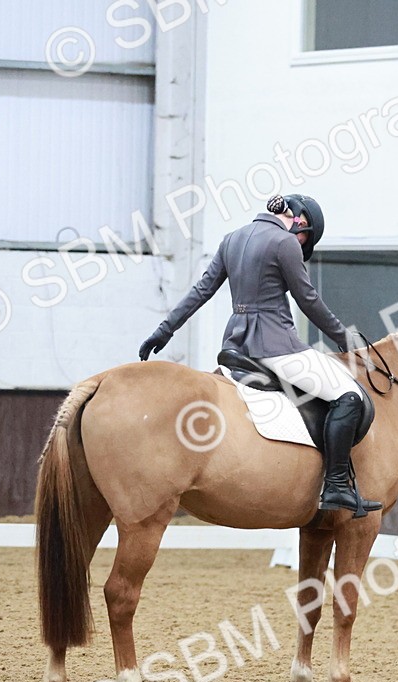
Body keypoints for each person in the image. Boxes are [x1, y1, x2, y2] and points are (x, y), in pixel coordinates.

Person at [138, 194, 381, 517]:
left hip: (236, 346)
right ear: (301, 220)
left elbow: (202, 291)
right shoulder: (285, 243)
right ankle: (336, 484)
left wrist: (165, 330)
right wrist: (345, 338)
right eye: (306, 236)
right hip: (275, 348)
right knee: (348, 396)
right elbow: (308, 299)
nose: (303, 241)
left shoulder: (232, 240)